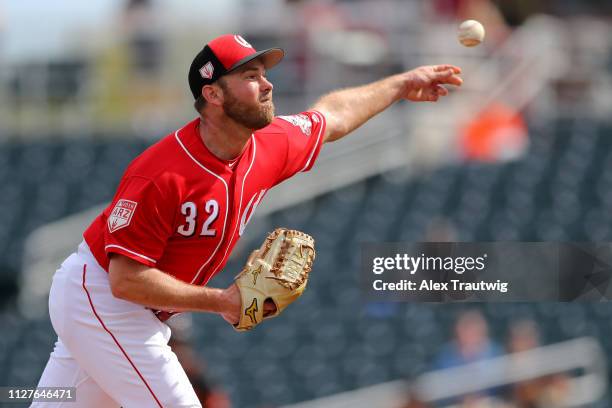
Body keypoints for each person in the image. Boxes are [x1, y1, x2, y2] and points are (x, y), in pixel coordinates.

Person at [32, 33, 462, 407]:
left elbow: (334, 115)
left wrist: (402, 84)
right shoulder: (161, 173)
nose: (267, 83)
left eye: (263, 71)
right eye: (250, 76)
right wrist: (222, 301)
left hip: (131, 311)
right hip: (102, 296)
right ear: (214, 95)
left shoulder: (270, 143)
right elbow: (124, 280)